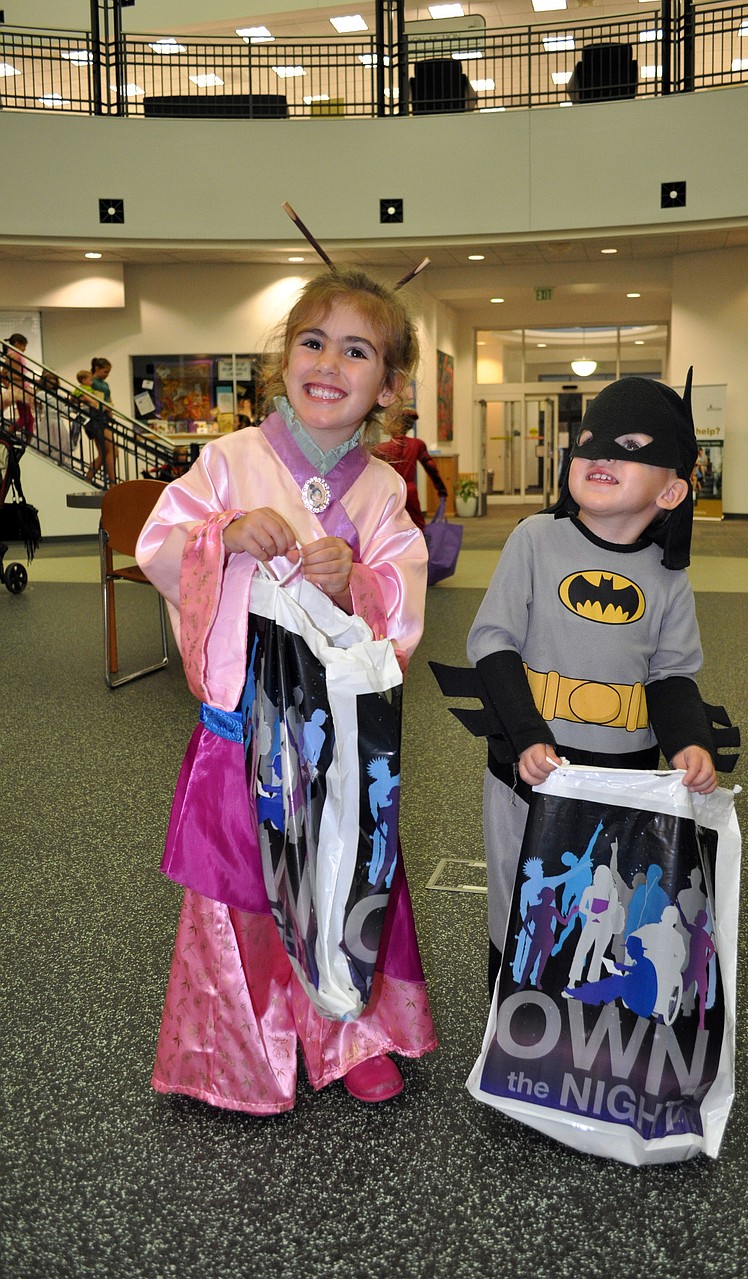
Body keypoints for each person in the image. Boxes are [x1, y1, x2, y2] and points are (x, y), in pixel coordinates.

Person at [136, 268, 437, 1114]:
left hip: (334, 743)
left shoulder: (382, 491)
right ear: (283, 360)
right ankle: (232, 1044)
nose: (329, 363)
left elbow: (401, 601)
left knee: (342, 878)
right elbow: (163, 542)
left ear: (388, 384)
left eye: (358, 350)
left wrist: (357, 586)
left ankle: (352, 1034)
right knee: (240, 890)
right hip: (242, 728)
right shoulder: (228, 459)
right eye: (313, 341)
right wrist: (222, 535)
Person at [466, 373, 718, 991]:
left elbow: (671, 674)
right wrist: (525, 735)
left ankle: (581, 1040)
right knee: (522, 904)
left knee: (604, 911)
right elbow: (491, 644)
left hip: (622, 779)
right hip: (531, 771)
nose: (600, 454)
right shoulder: (535, 540)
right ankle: (513, 1025)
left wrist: (690, 740)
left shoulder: (666, 578)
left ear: (671, 490)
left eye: (630, 446)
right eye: (588, 441)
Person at [374, 408, 447, 530]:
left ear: (396, 424)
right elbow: (431, 467)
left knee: (389, 526)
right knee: (417, 525)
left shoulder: (382, 448)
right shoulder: (417, 444)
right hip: (410, 491)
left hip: (391, 492)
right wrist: (441, 490)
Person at [85, 359, 116, 484]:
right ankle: (112, 483)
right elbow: (83, 393)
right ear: (97, 368)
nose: (106, 375)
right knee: (112, 450)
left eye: (108, 372)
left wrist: (110, 410)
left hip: (104, 417)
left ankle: (88, 478)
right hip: (95, 418)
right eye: (105, 372)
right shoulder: (91, 381)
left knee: (104, 453)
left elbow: (108, 399)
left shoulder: (105, 384)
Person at [3, 334, 34, 437]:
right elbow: (12, 375)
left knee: (29, 418)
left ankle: (29, 441)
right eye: (23, 346)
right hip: (19, 389)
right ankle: (7, 434)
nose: (24, 349)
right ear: (16, 344)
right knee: (25, 418)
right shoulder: (14, 356)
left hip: (21, 387)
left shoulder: (12, 356)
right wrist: (29, 379)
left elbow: (5, 372)